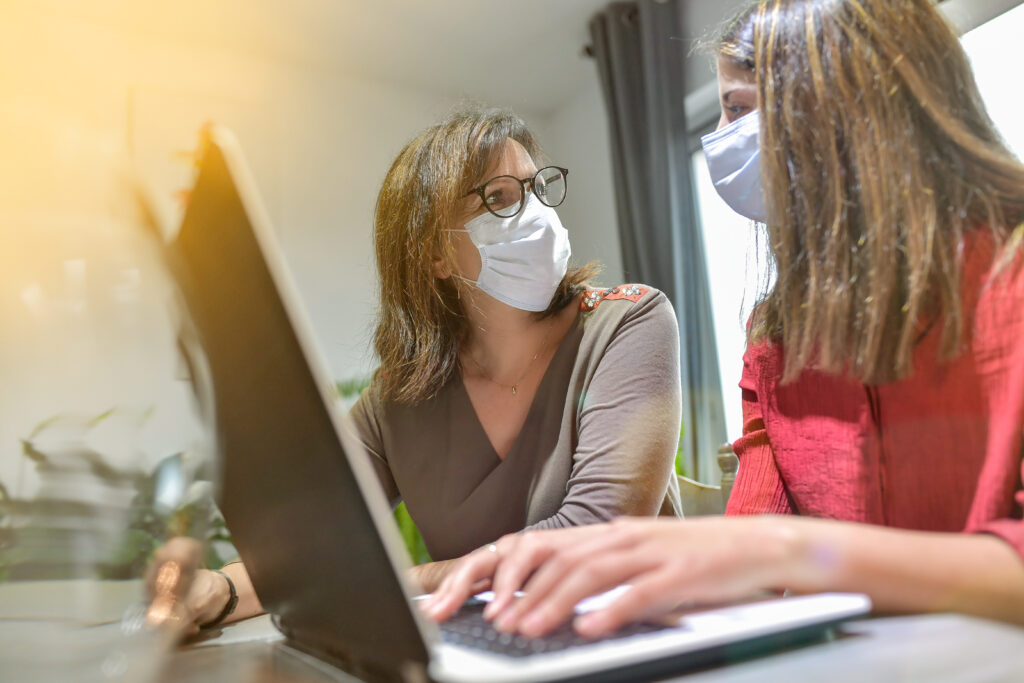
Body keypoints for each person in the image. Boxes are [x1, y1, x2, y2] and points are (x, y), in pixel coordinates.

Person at [424, 0, 1024, 639]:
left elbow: (765, 552)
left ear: (847, 97)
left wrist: (785, 549)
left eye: (737, 109)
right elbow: (748, 566)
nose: (722, 138)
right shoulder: (775, 340)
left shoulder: (1007, 280)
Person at [164, 107, 684, 631]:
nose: (535, 214)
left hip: (634, 646)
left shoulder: (629, 321)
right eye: (499, 197)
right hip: (496, 652)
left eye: (536, 188)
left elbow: (594, 534)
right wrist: (220, 590)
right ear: (436, 252)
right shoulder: (399, 398)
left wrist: (411, 579)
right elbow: (312, 541)